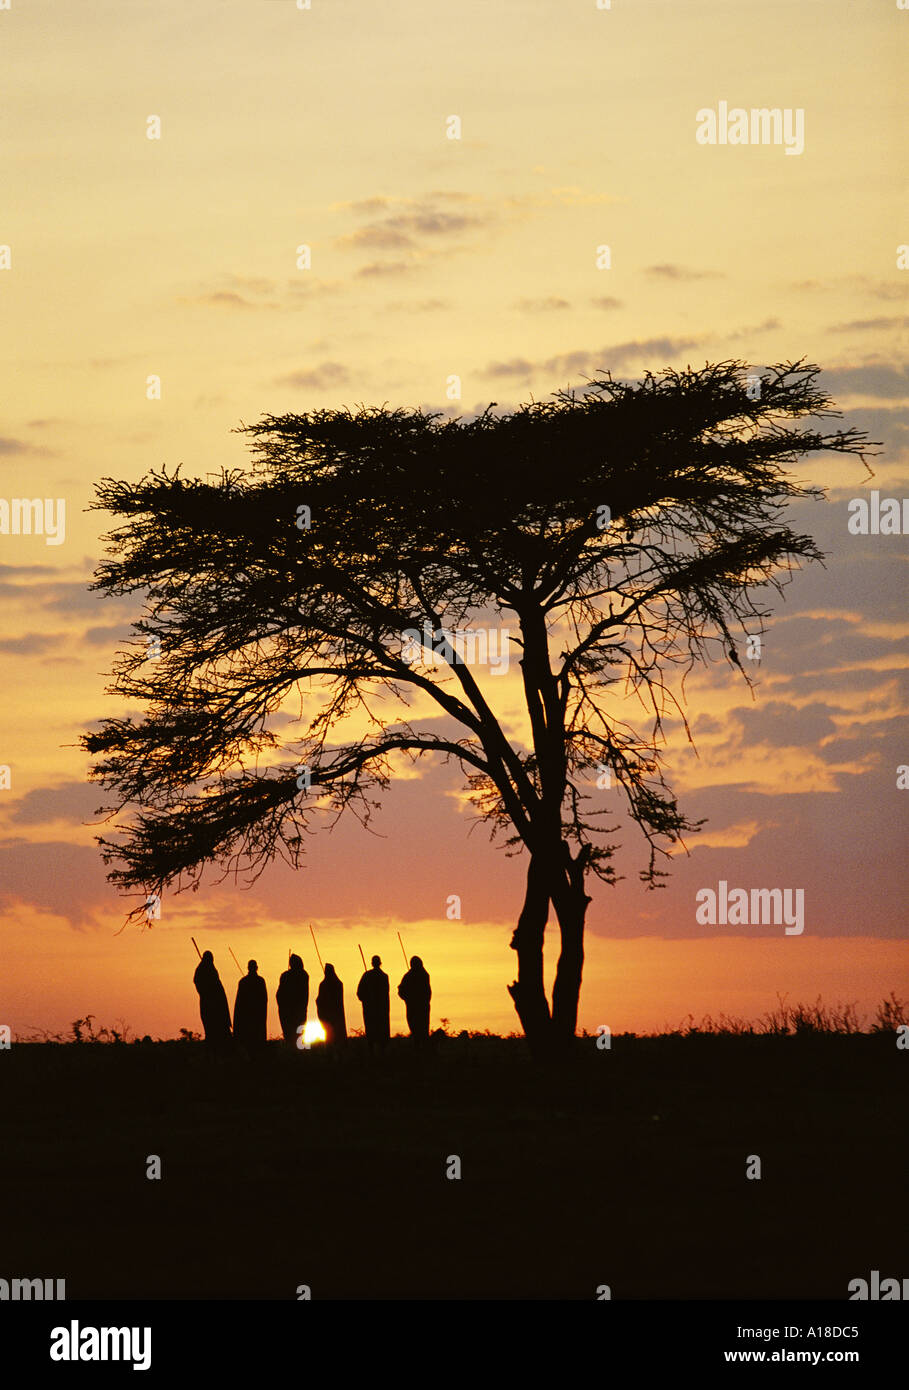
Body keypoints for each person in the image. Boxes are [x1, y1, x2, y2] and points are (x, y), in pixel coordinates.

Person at [192, 951, 232, 1046]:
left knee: (219, 1025)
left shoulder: (212, 970)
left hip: (217, 1003)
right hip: (208, 1003)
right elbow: (198, 982)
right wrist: (207, 992)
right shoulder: (201, 970)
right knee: (210, 1026)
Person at [356, 955, 390, 1052]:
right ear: (380, 963)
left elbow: (359, 992)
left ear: (372, 963)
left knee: (371, 1032)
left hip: (370, 1010)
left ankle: (372, 1052)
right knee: (381, 1031)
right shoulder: (384, 976)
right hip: (381, 1010)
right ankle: (382, 1053)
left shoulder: (367, 975)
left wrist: (366, 1000)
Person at [233, 959, 268, 1053]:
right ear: (256, 968)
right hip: (256, 1017)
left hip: (247, 1018)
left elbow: (238, 1003)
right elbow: (264, 1000)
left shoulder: (243, 982)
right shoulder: (260, 981)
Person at [276, 953, 309, 1047]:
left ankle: (292, 1052)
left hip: (289, 1012)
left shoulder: (285, 976)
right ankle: (300, 1053)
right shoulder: (304, 975)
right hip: (299, 1011)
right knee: (299, 1036)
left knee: (290, 1035)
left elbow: (279, 994)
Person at [398, 956, 431, 1044]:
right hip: (422, 1007)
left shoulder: (409, 976)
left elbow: (401, 991)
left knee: (416, 1029)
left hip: (414, 1007)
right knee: (422, 1029)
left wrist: (407, 998)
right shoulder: (424, 975)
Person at [316, 963, 347, 1047]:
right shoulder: (338, 983)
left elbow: (320, 1000)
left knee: (331, 1035)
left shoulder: (324, 985)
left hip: (329, 1015)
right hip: (336, 1015)